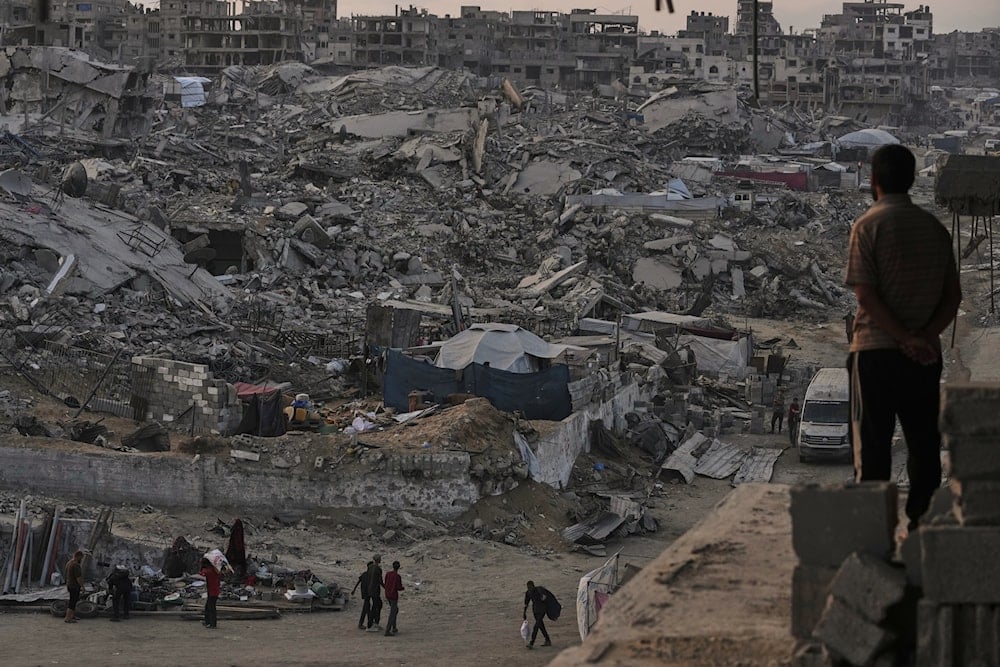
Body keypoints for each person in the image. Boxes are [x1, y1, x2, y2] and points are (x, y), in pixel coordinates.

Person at [844, 144, 962, 532]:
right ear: (912, 180)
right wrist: (922, 337)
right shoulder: (934, 230)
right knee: (923, 442)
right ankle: (919, 525)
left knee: (873, 446)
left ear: (874, 180)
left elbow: (865, 294)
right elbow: (952, 298)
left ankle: (875, 536)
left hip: (875, 353)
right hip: (924, 358)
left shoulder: (867, 226)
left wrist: (899, 337)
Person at [522, 581, 552, 649]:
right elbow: (526, 603)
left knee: (536, 626)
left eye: (530, 587)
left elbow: (545, 598)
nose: (529, 589)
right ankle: (547, 640)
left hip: (542, 610)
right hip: (535, 611)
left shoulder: (539, 590)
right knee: (541, 626)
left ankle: (531, 643)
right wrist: (524, 613)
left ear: (533, 586)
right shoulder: (528, 593)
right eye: (528, 587)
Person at [64, 550, 86, 624]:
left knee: (74, 601)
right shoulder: (75, 565)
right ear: (78, 556)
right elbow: (78, 577)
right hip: (74, 586)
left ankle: (72, 616)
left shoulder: (69, 563)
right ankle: (67, 618)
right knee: (72, 602)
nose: (81, 559)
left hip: (70, 585)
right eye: (81, 558)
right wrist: (82, 586)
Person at [383, 560, 404, 637]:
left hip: (387, 594)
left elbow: (385, 583)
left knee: (395, 610)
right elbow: (398, 587)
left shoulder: (388, 574)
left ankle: (394, 627)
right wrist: (402, 588)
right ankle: (388, 630)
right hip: (393, 596)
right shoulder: (397, 576)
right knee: (393, 612)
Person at [200, 557, 221, 629]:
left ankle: (212, 623)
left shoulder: (208, 571)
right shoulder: (215, 570)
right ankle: (208, 622)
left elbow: (202, 573)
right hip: (214, 590)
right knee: (209, 607)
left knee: (211, 608)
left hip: (212, 591)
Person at [365, 555, 384, 632]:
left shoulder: (370, 568)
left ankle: (374, 623)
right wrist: (386, 587)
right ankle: (370, 624)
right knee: (376, 606)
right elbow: (380, 580)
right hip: (375, 590)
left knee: (376, 605)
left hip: (369, 589)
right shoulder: (378, 569)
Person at [352, 560, 373, 630]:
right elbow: (359, 581)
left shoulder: (367, 574)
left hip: (366, 593)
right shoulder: (366, 574)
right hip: (366, 593)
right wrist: (354, 590)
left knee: (366, 607)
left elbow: (358, 582)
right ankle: (368, 623)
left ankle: (364, 623)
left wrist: (354, 590)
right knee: (367, 608)